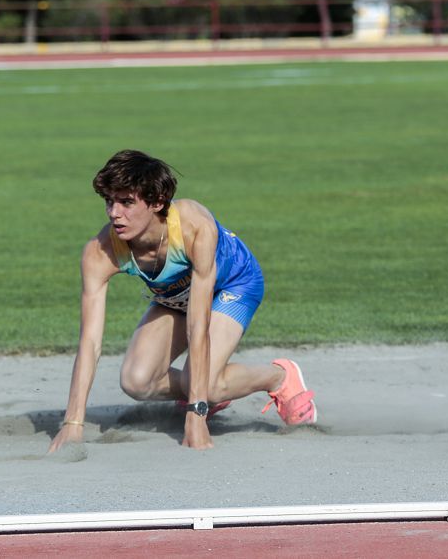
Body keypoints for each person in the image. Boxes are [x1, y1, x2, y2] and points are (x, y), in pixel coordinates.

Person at [48, 150, 317, 452]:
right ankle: (209, 388)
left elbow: (197, 327)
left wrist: (196, 413)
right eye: (109, 201)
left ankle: (277, 377)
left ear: (157, 202)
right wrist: (73, 423)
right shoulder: (100, 252)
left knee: (207, 385)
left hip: (233, 285)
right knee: (136, 381)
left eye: (126, 202)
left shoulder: (193, 226)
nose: (114, 213)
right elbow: (90, 343)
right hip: (175, 296)